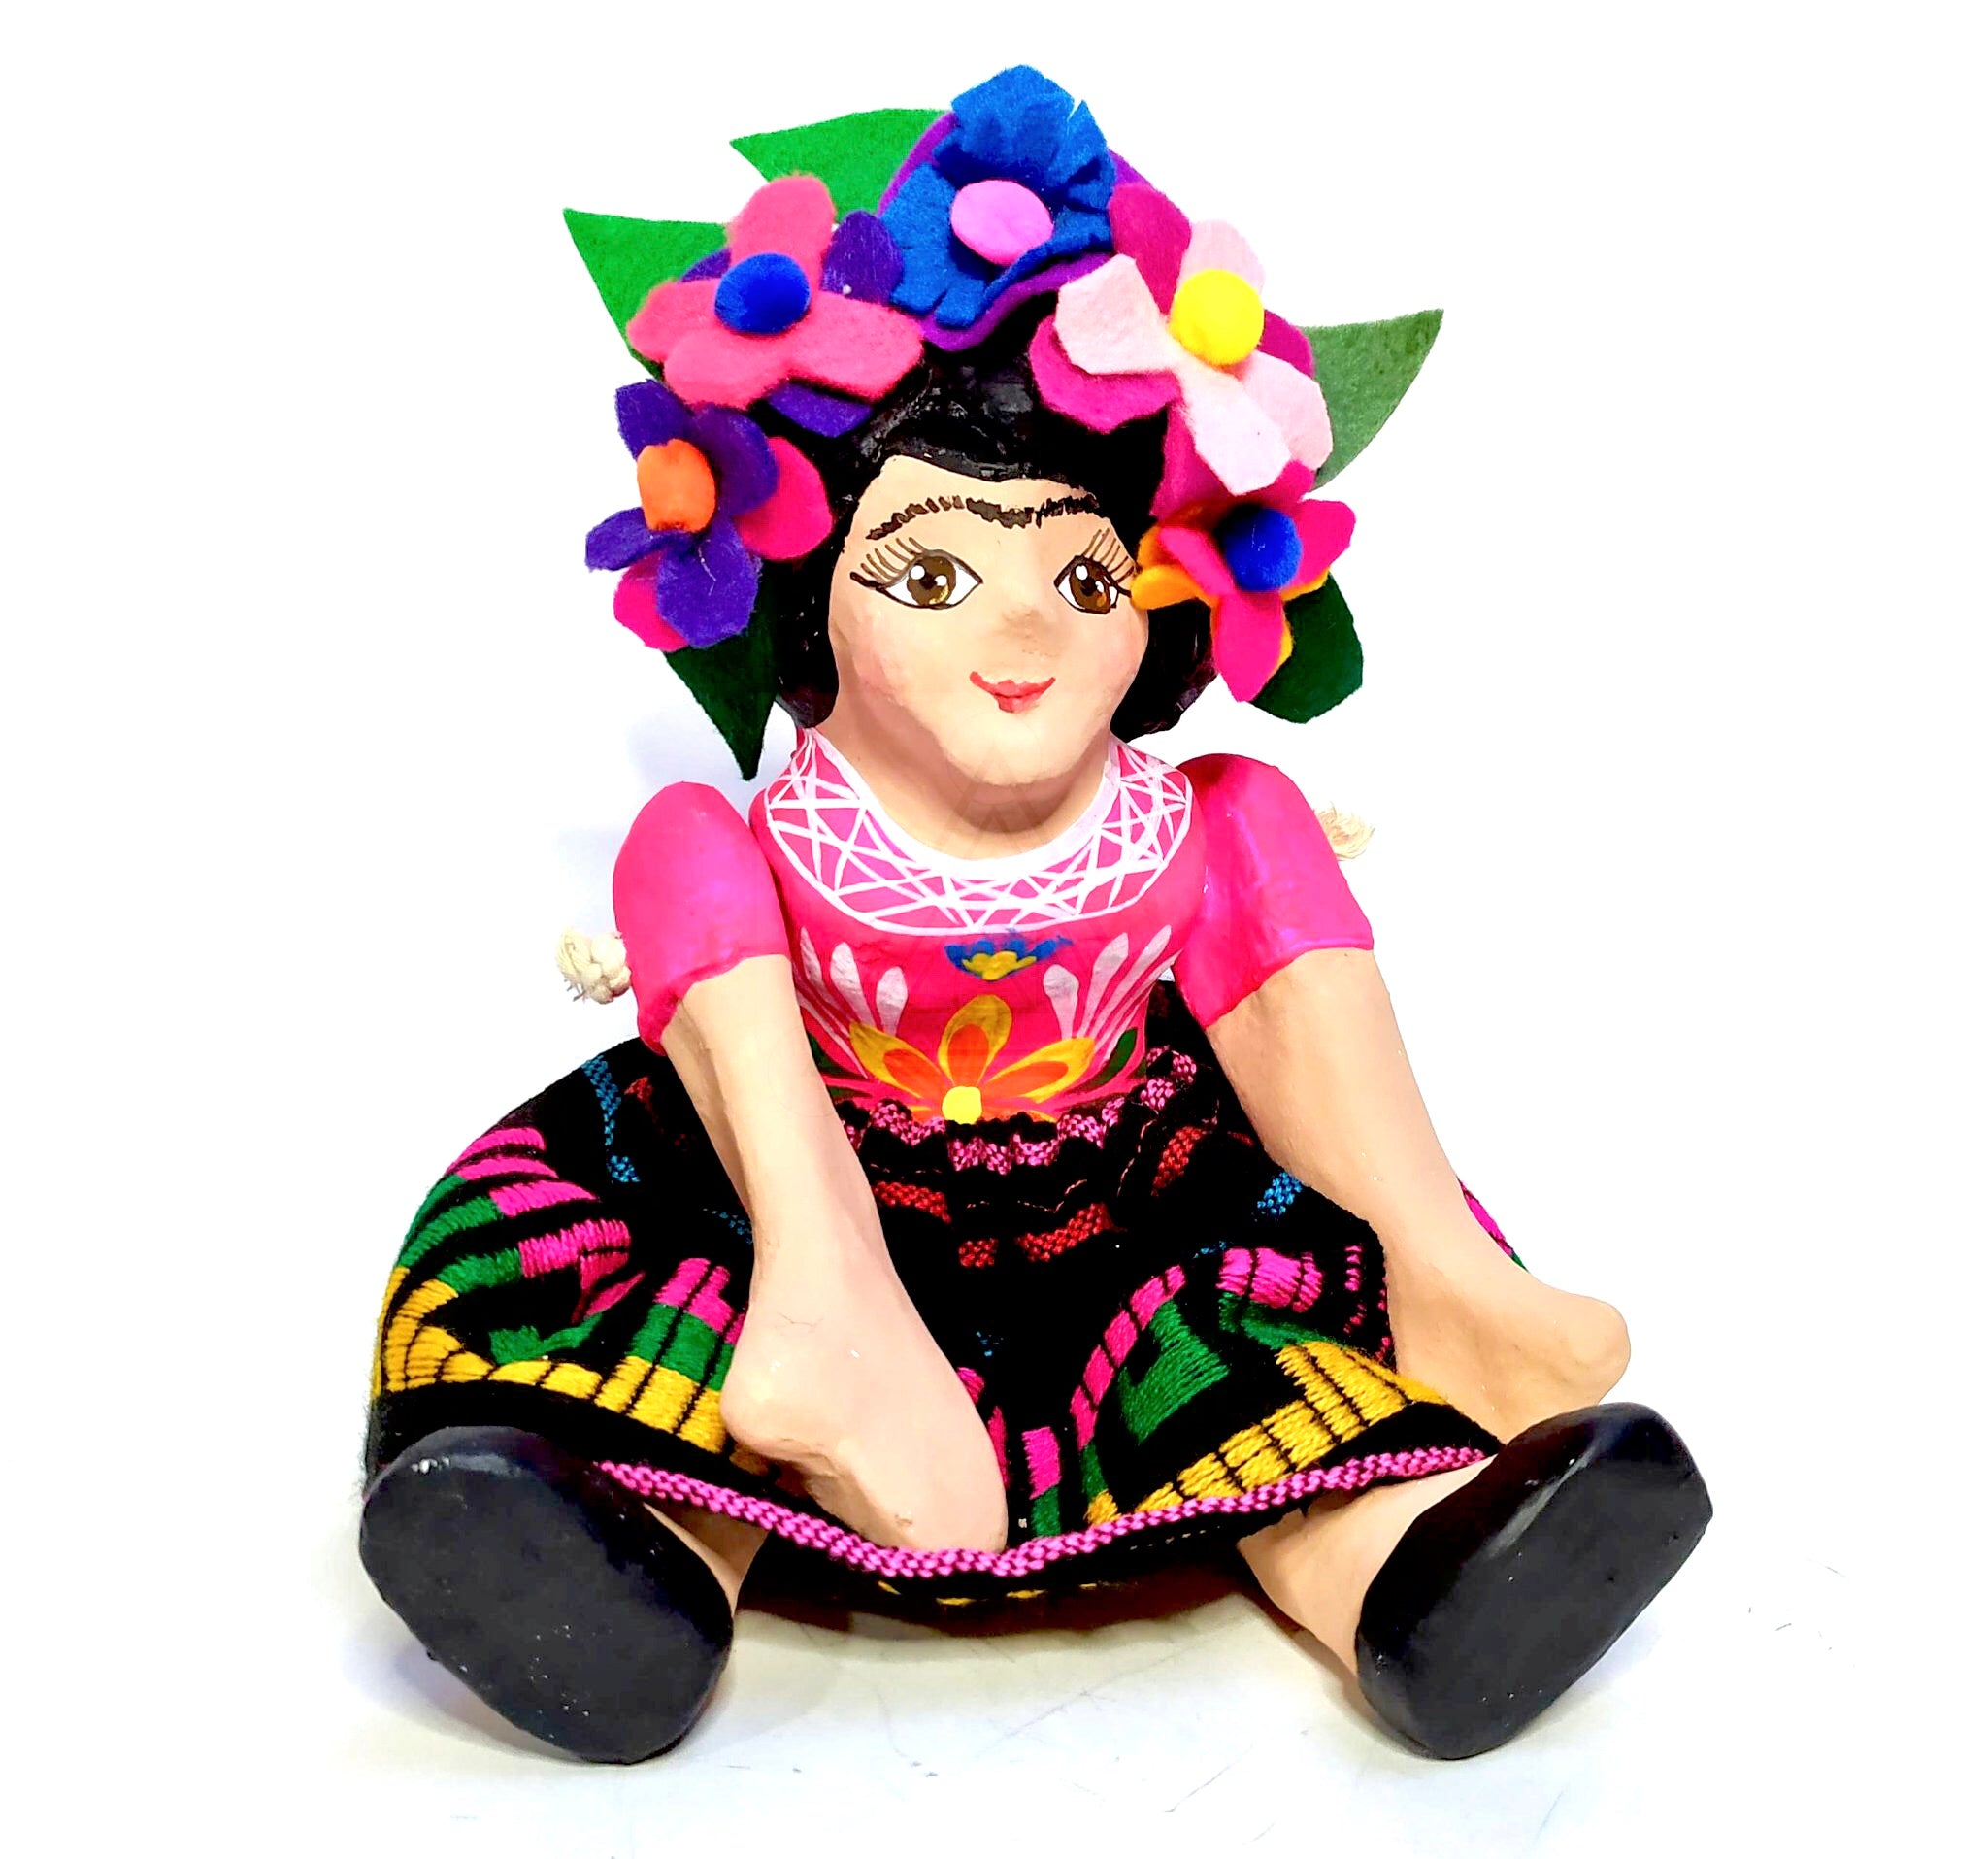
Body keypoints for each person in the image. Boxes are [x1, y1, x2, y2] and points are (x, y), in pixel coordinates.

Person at [359, 66, 1709, 1766]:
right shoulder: (776, 835)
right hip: (798, 1187)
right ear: (807, 602)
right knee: (691, 1318)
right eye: (933, 575)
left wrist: (1414, 1241)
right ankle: (646, 1569)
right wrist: (815, 1252)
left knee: (1251, 1356)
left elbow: (1303, 1036)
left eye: (1084, 575)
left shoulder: (1186, 823)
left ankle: (1412, 1567)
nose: (1026, 631)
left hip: (1112, 1207)